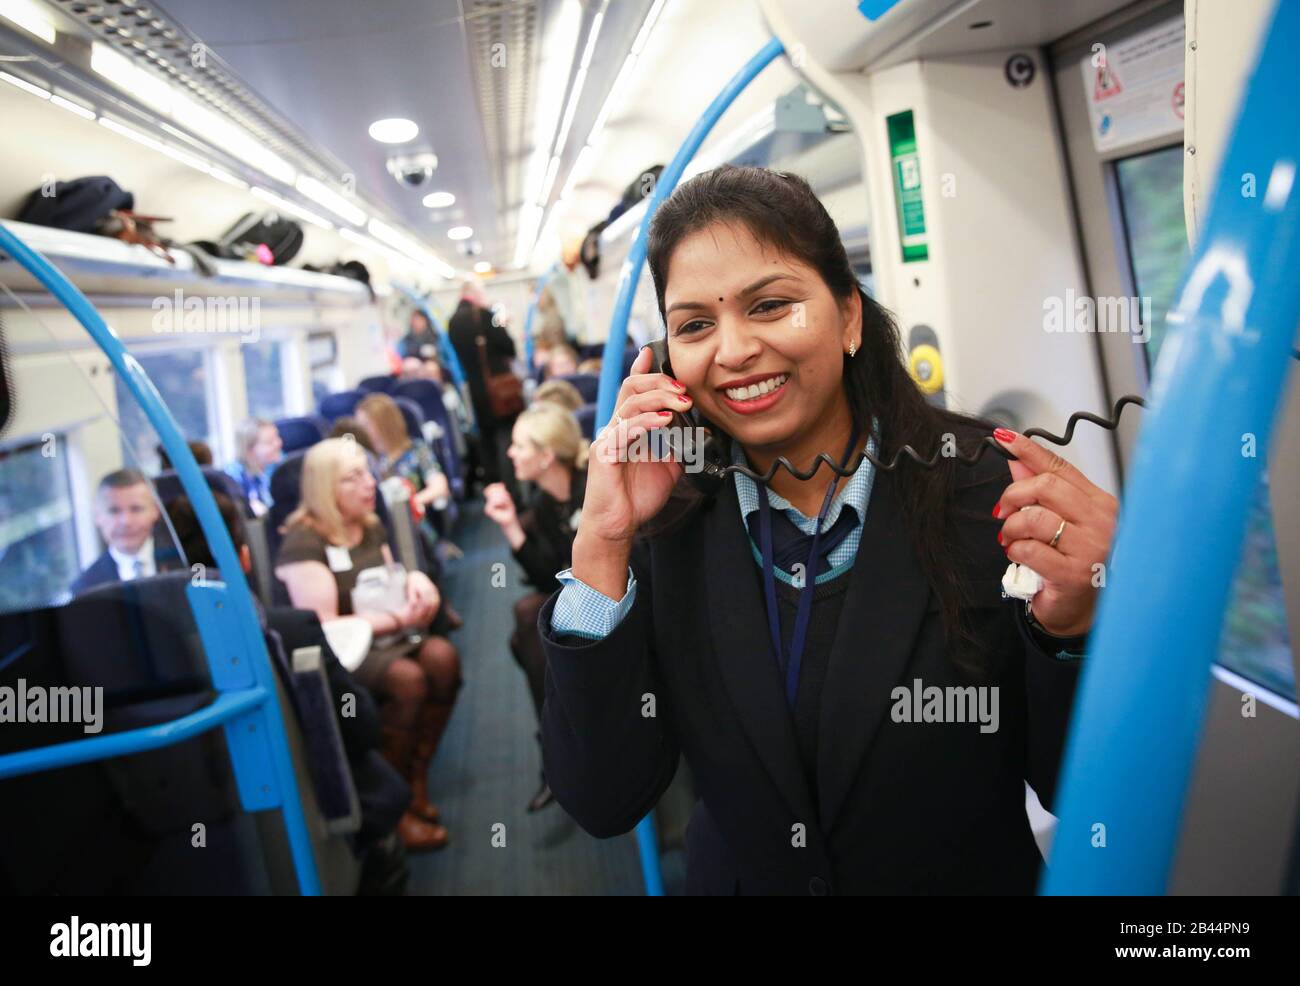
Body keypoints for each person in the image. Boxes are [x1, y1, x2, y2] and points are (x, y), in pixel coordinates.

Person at [538, 165, 1118, 895]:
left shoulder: (990, 494)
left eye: (772, 305)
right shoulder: (663, 522)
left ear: (849, 317)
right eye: (695, 325)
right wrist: (601, 543)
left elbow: (1091, 793)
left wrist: (1078, 629)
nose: (734, 349)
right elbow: (603, 799)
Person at [163, 492, 430, 863]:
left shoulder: (142, 659)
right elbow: (359, 729)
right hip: (308, 818)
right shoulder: (289, 631)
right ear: (244, 558)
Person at [274, 438, 461, 851]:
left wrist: (414, 579)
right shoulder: (303, 543)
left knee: (443, 659)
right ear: (325, 488)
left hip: (386, 636)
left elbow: (392, 571)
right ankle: (392, 810)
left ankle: (415, 781)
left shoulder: (370, 523)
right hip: (342, 651)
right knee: (409, 680)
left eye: (367, 472)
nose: (369, 484)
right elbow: (321, 627)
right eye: (353, 477)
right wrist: (395, 620)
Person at [482, 403, 588, 813]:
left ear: (546, 457)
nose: (510, 454)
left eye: (519, 446)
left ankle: (558, 749)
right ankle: (560, 742)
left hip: (623, 599)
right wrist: (510, 525)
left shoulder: (593, 487)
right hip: (581, 596)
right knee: (526, 623)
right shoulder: (546, 505)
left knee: (526, 625)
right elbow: (549, 576)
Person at [447, 279, 519, 496]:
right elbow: (509, 347)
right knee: (506, 437)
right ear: (474, 293)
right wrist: (503, 325)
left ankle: (492, 488)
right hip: (498, 390)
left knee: (486, 439)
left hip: (475, 391)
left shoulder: (452, 323)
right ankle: (512, 491)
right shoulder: (486, 316)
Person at [71, 468, 178, 594]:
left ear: (156, 510)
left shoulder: (188, 560)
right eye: (114, 511)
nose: (126, 522)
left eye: (136, 509)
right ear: (97, 516)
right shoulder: (85, 588)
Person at [225, 418, 283, 516]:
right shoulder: (233, 476)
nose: (278, 444)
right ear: (249, 450)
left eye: (277, 437)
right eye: (269, 442)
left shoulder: (280, 466)